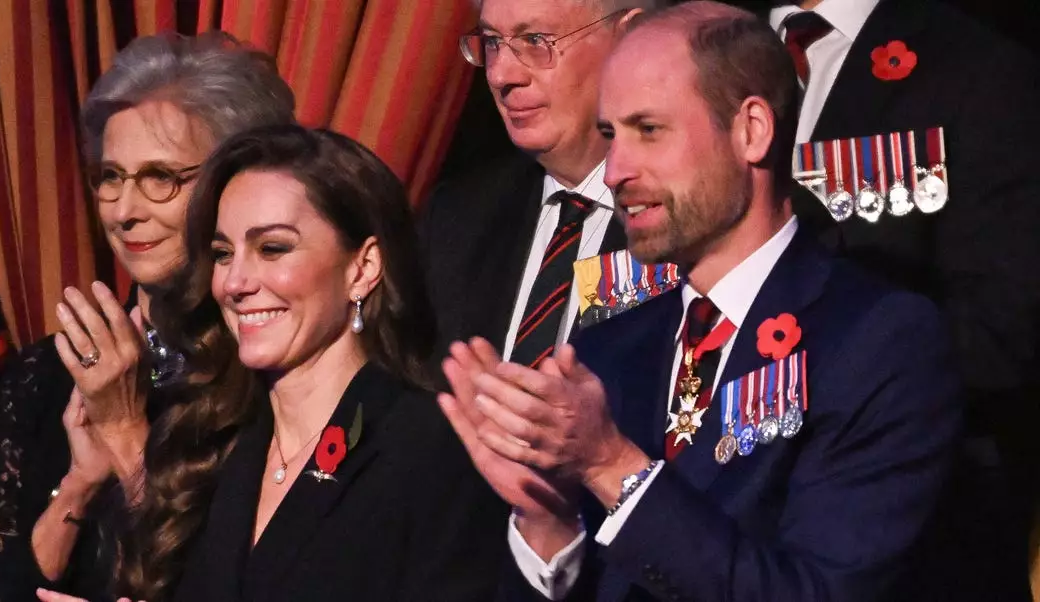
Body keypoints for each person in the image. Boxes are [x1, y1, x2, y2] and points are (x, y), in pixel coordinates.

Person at [438, 3, 963, 600]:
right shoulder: (607, 349)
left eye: (649, 130)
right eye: (611, 135)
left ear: (751, 130)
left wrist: (612, 466)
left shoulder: (877, 339)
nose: (614, 171)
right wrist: (546, 519)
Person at [40, 125, 510, 602]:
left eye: (272, 248)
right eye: (223, 254)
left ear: (363, 268)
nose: (235, 282)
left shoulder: (431, 445)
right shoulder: (212, 442)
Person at [0, 32, 295, 601]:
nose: (125, 211)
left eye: (160, 178)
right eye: (111, 177)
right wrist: (78, 489)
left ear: (238, 181)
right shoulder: (46, 376)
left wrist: (125, 434)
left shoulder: (271, 377)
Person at [765, 0, 1040, 596]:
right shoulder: (704, 44)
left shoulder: (975, 69)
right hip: (710, 520)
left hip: (903, 532)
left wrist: (800, 383)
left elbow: (1004, 331)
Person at [420, 0, 672, 370]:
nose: (500, 75)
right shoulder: (457, 217)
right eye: (491, 42)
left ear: (630, 39)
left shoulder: (697, 217)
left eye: (535, 40)